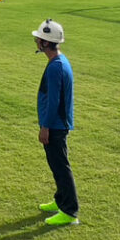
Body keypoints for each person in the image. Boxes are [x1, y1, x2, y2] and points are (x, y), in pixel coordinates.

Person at [33, 18, 79, 226]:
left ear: (45, 43)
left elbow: (54, 101)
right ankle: (61, 200)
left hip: (55, 126)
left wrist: (45, 127)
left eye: (39, 39)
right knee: (56, 165)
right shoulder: (60, 62)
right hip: (57, 124)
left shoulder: (55, 68)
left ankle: (69, 211)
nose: (36, 41)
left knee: (61, 167)